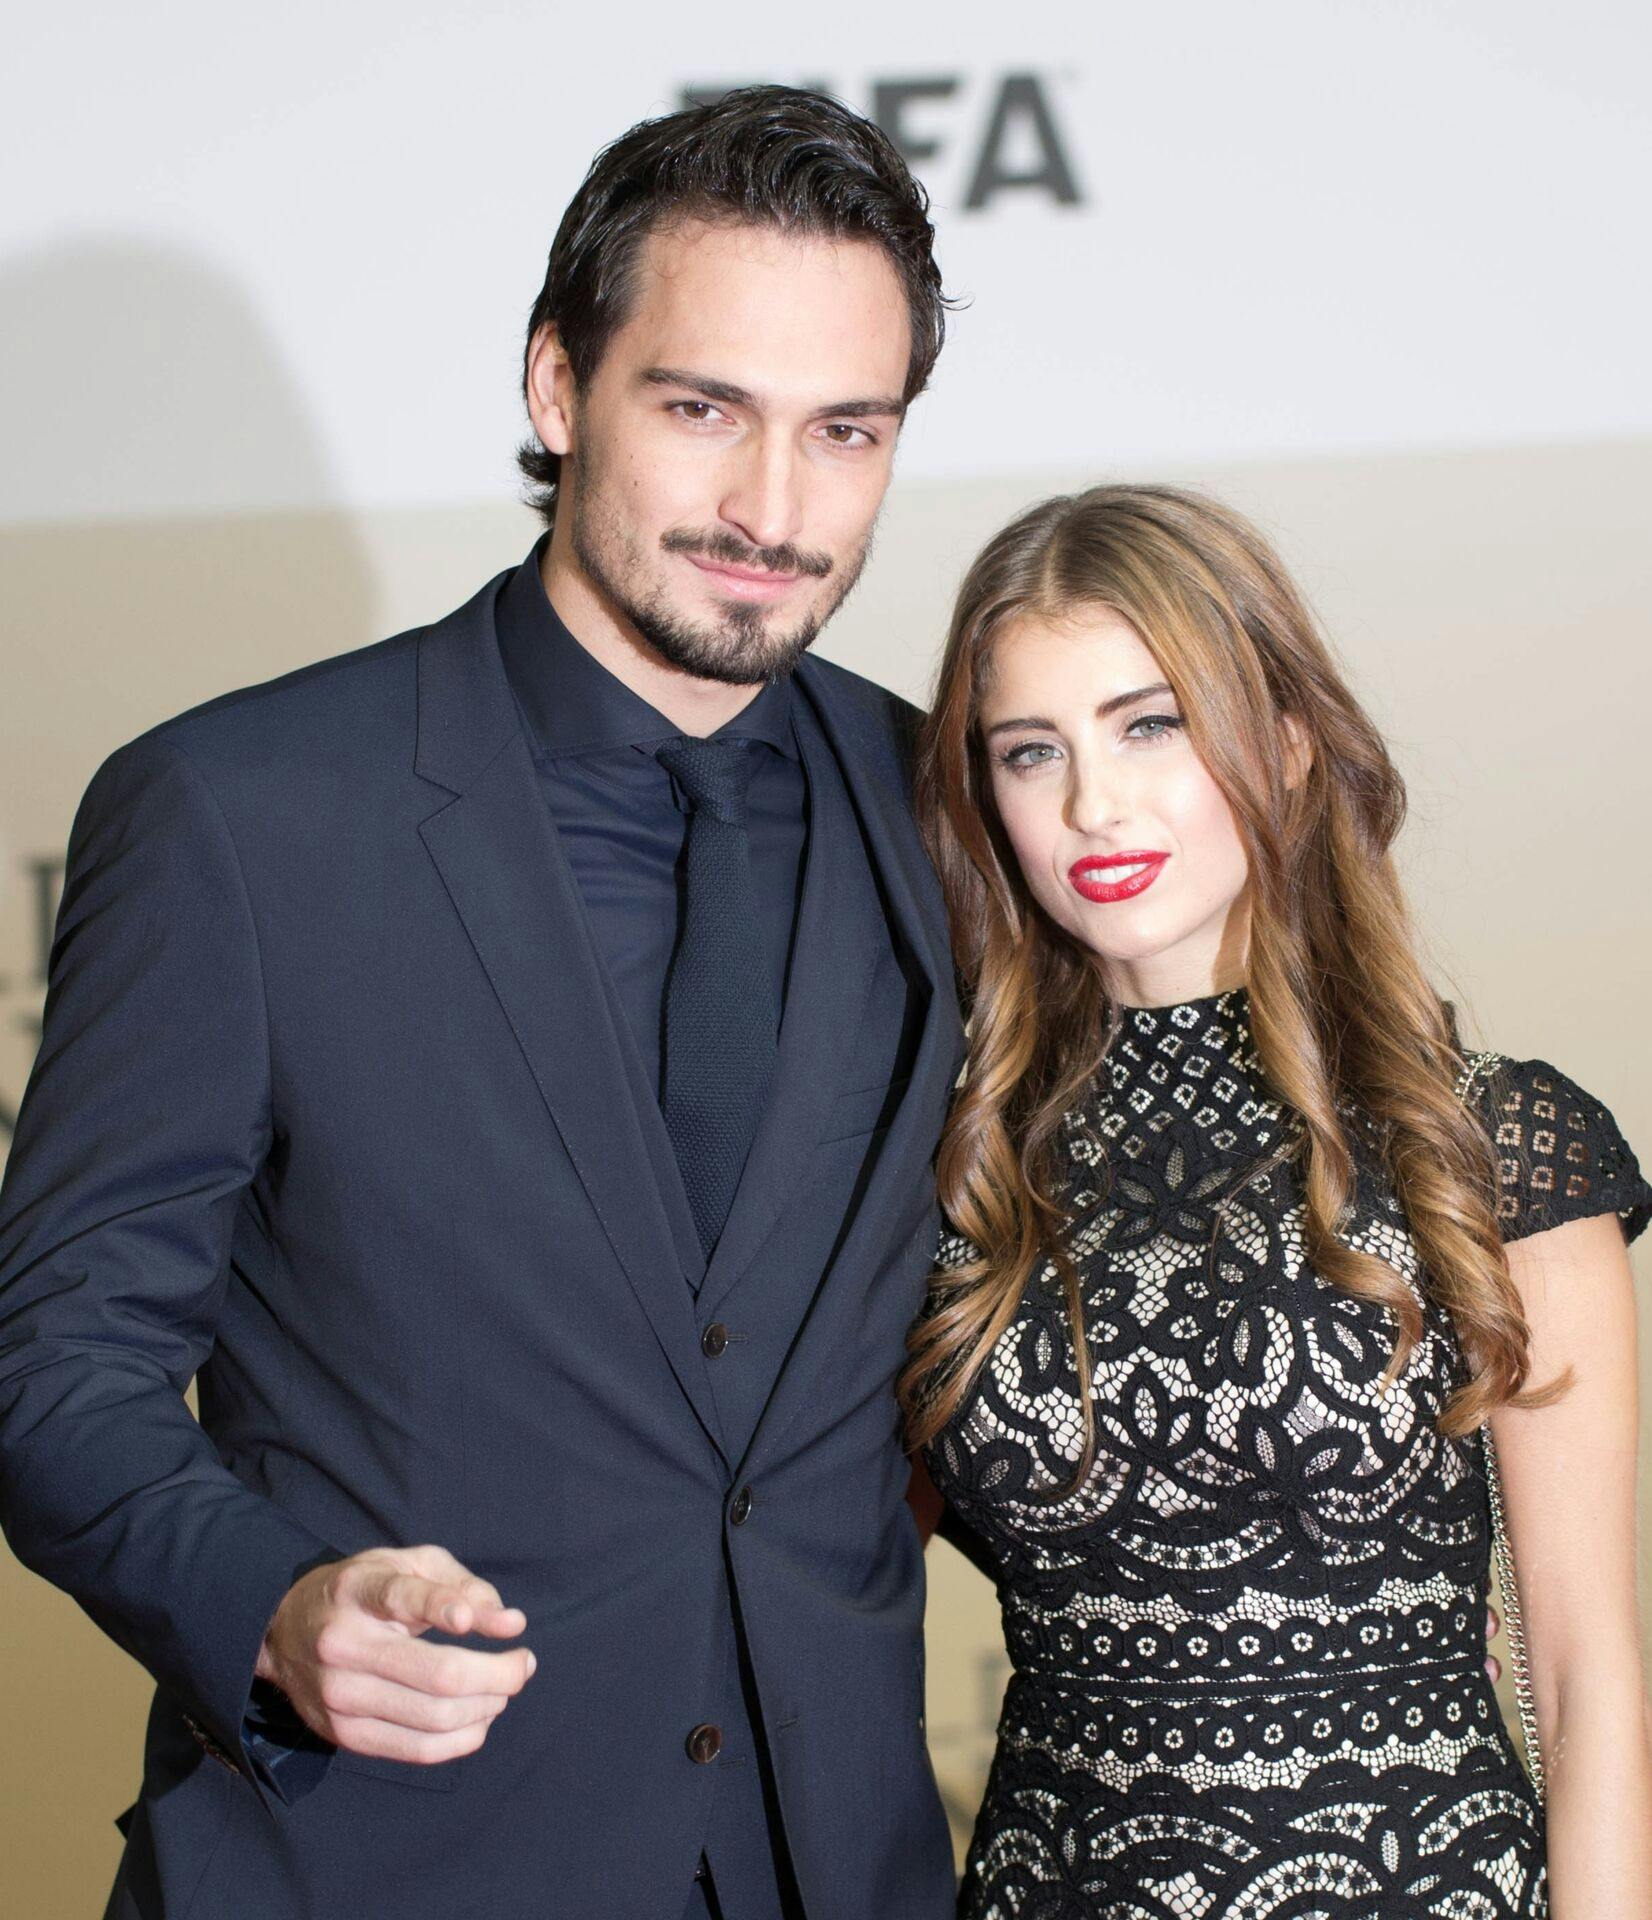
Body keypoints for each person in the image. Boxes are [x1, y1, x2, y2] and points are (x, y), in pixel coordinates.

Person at [0, 88, 966, 1920]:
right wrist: (270, 1602)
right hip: (369, 1864)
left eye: (845, 431)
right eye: (704, 411)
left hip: (831, 1875)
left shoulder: (951, 816)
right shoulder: (240, 815)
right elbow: (55, 1361)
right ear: (555, 389)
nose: (774, 508)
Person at [903, 484, 1652, 1917]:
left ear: (1291, 743)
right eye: (1030, 751)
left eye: (1151, 723)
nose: (1091, 802)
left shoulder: (1490, 1140)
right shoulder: (953, 1174)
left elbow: (1586, 1673)